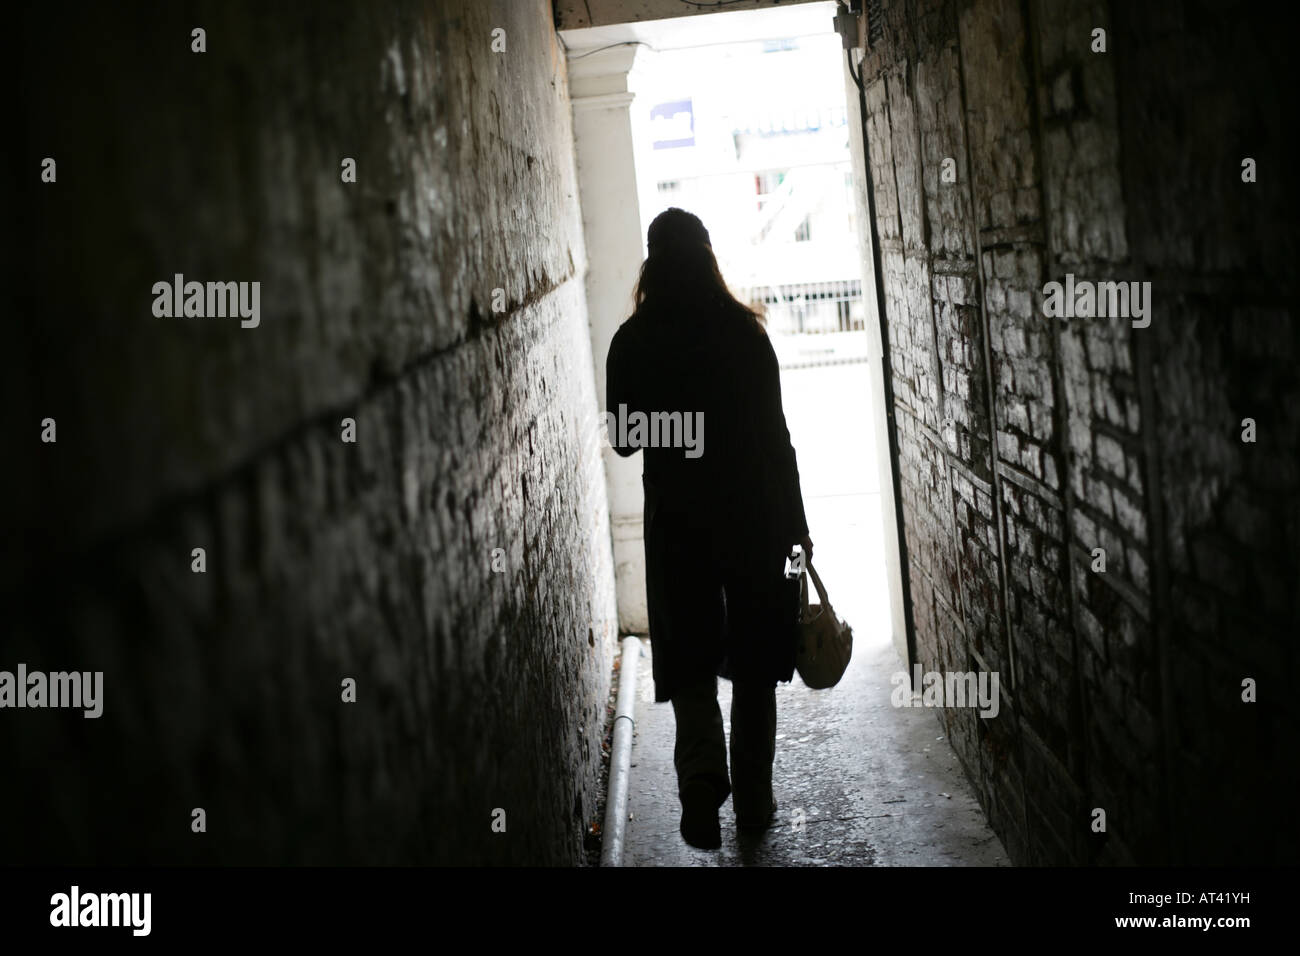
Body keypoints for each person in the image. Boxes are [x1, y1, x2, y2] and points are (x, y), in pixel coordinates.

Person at [606, 207, 813, 849]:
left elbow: (622, 439)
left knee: (691, 657)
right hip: (754, 518)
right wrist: (798, 530)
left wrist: (678, 429)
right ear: (708, 258)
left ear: (652, 263)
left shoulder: (634, 340)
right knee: (754, 662)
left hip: (680, 524)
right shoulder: (746, 335)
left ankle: (700, 785)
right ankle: (753, 802)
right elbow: (777, 440)